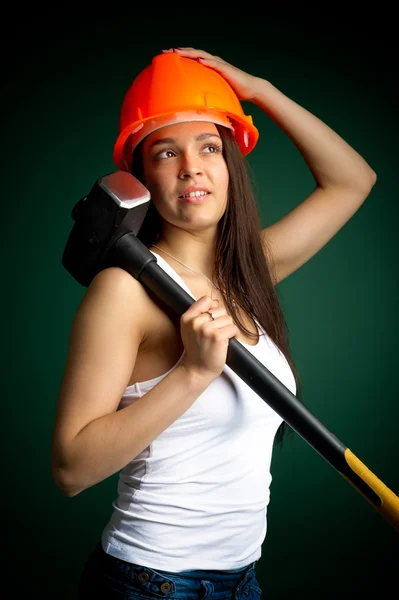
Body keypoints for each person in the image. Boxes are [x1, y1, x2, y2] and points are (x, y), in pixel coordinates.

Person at [51, 47, 376, 598]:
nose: (191, 168)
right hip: (148, 583)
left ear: (230, 164)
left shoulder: (249, 274)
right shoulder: (124, 291)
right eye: (166, 152)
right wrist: (193, 374)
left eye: (209, 146)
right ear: (141, 177)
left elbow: (353, 180)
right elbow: (71, 469)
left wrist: (261, 91)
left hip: (242, 581)